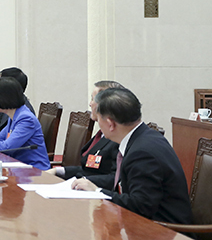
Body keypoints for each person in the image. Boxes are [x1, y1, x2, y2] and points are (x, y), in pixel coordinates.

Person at [71, 87, 191, 224]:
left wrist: (97, 191)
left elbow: (140, 206)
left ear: (110, 124)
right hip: (146, 223)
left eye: (98, 120)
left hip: (165, 230)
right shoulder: (144, 136)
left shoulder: (142, 153)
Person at [53, 80, 122, 180]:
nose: (90, 104)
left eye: (93, 99)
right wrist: (58, 171)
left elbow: (115, 179)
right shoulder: (102, 133)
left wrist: (84, 181)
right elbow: (88, 169)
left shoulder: (117, 138)